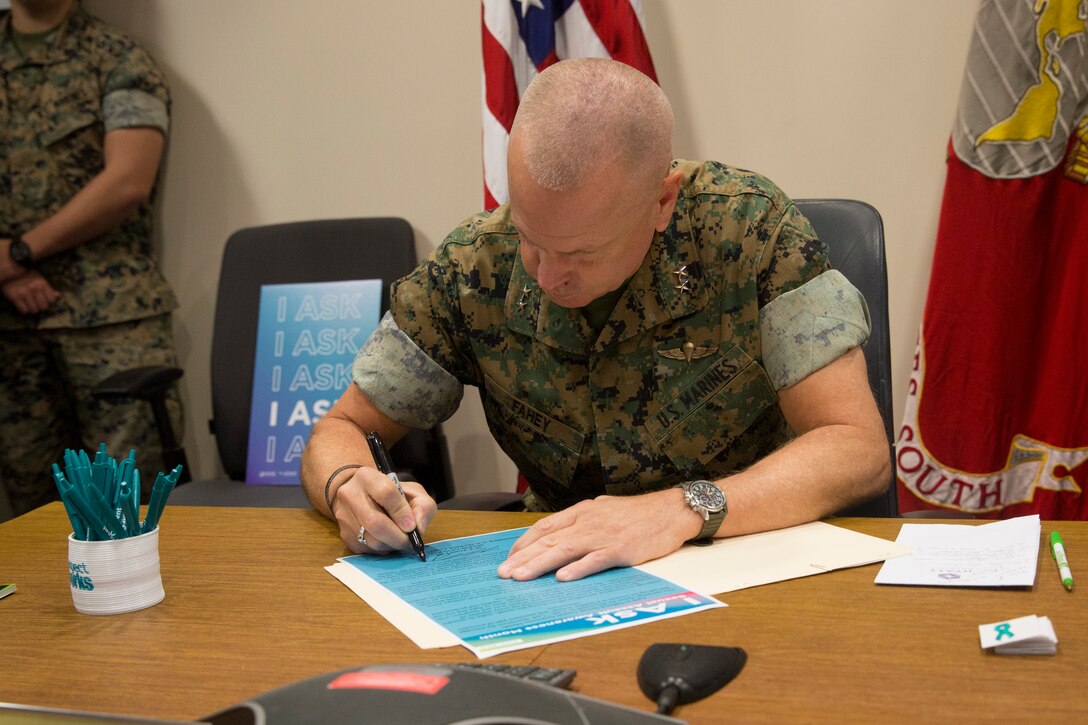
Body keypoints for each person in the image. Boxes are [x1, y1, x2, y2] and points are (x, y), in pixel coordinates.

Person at [301, 57, 890, 581]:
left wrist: (678, 510)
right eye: (532, 239)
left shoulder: (748, 234)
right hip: (559, 578)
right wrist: (347, 485)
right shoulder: (476, 264)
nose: (547, 276)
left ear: (661, 203)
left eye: (581, 254)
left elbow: (855, 449)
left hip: (754, 559)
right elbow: (341, 428)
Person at [0, 0, 182, 516]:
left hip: (108, 321)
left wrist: (18, 253)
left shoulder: (116, 58)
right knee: (28, 521)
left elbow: (127, 182)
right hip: (10, 329)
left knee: (129, 511)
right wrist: (7, 270)